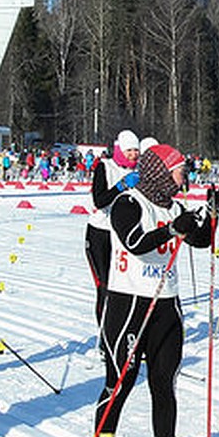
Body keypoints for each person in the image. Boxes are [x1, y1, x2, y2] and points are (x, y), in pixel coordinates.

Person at [90, 143, 219, 437]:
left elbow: (201, 241)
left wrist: (211, 214)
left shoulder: (175, 205)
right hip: (129, 305)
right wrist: (172, 230)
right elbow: (135, 241)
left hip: (166, 306)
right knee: (120, 382)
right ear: (163, 171)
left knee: (164, 385)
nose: (186, 176)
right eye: (180, 169)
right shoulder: (128, 203)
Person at [86, 129, 141, 323]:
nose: (133, 155)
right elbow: (99, 200)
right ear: (120, 150)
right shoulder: (105, 167)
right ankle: (103, 331)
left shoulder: (137, 171)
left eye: (136, 151)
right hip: (99, 233)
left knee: (123, 285)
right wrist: (120, 186)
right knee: (105, 285)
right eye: (129, 151)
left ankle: (119, 326)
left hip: (121, 235)